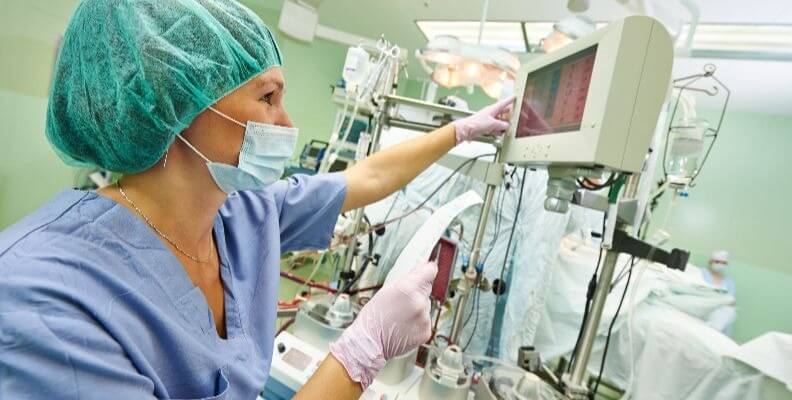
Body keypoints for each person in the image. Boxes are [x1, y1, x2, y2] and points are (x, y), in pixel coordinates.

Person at [0, 1, 514, 399]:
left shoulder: (241, 212)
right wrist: (362, 351)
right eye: (268, 98)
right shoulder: (43, 300)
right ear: (176, 104)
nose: (288, 126)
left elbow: (368, 177)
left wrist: (459, 132)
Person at [701, 250, 737, 336]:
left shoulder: (729, 282)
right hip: (702, 311)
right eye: (717, 262)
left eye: (723, 263)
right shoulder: (701, 273)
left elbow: (730, 302)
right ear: (710, 262)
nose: (720, 265)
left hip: (718, 319)